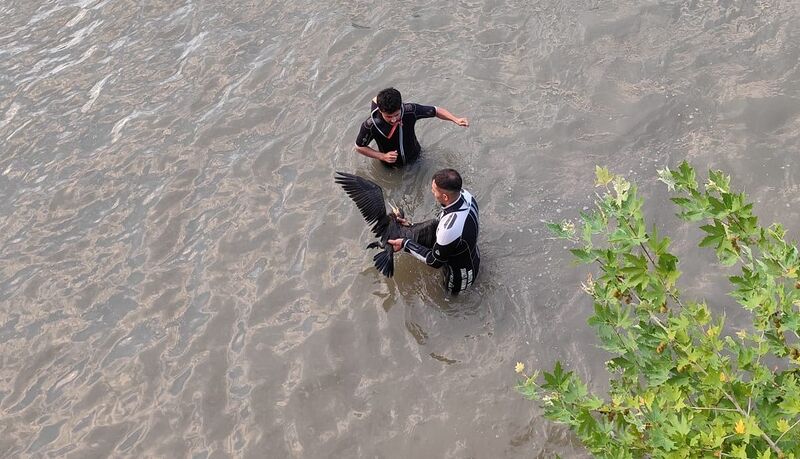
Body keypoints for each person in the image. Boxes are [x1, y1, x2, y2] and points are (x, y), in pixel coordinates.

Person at [388, 169, 480, 294]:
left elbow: (434, 261)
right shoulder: (466, 196)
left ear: (445, 197)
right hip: (472, 255)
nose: (432, 192)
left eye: (434, 190)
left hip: (460, 277)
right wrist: (410, 225)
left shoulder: (450, 229)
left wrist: (405, 244)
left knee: (448, 301)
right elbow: (442, 222)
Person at [354, 88, 469, 167]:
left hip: (416, 155)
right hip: (390, 165)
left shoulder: (410, 111)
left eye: (396, 115)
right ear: (380, 110)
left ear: (401, 107)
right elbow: (359, 147)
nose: (393, 119)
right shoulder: (370, 125)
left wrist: (455, 119)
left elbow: (436, 110)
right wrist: (382, 156)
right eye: (389, 116)